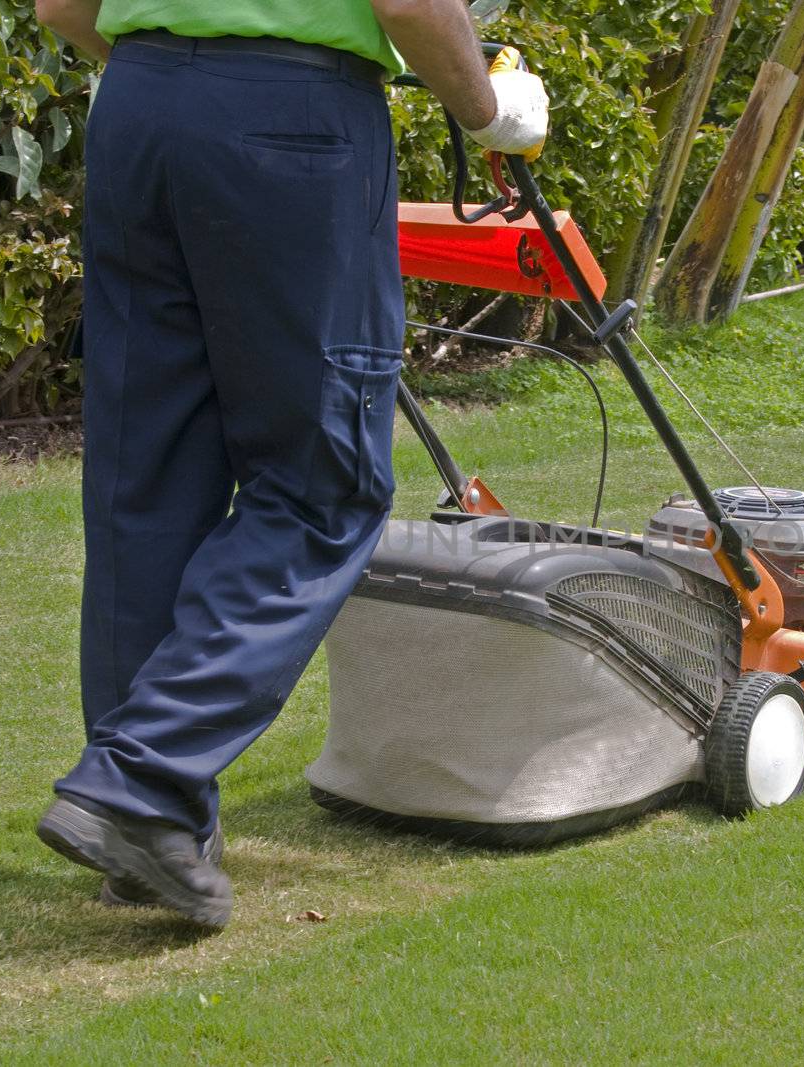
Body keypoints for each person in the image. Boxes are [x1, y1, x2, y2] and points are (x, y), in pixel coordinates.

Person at [31, 0, 548, 928]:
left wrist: (181, 67)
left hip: (139, 109)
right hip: (290, 124)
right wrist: (489, 108)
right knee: (321, 486)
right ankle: (141, 778)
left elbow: (59, 6)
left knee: (146, 484)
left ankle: (151, 827)